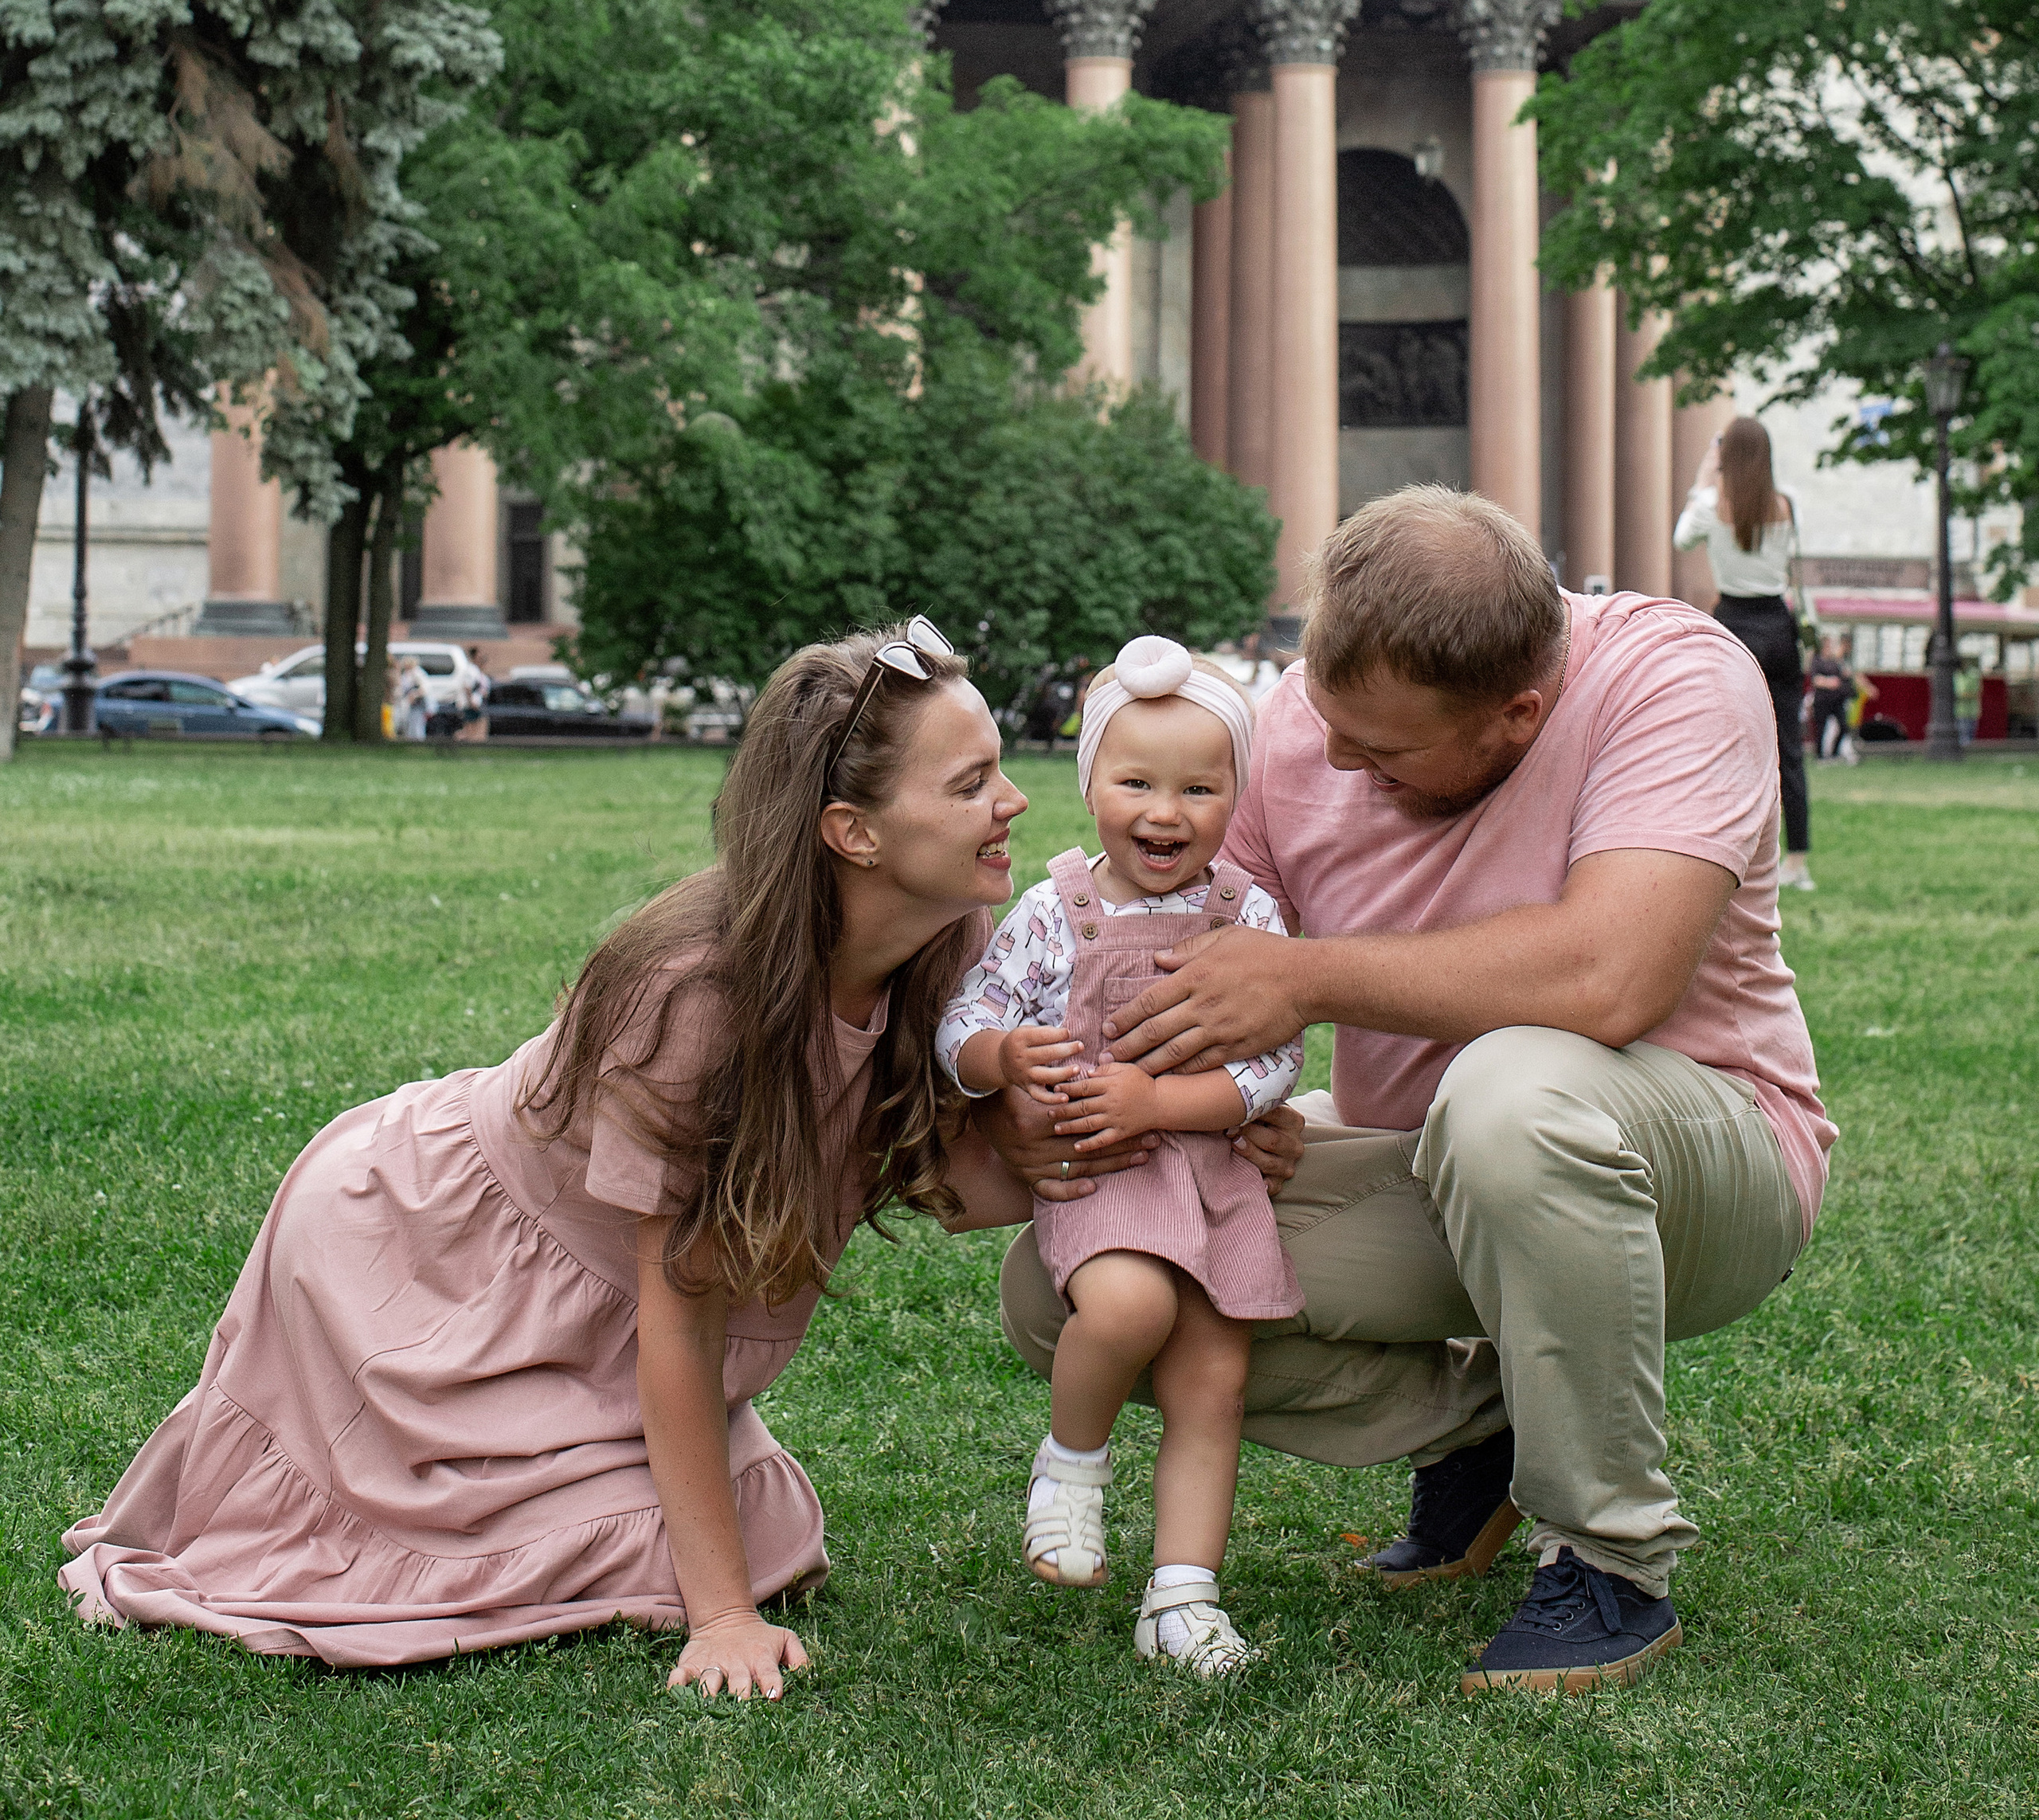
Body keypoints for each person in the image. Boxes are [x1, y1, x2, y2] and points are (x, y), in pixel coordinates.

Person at [60, 619, 1033, 1697]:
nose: (1014, 801)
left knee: (775, 1527)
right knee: (710, 1557)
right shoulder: (697, 1000)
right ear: (853, 833)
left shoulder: (947, 946)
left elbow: (969, 1182)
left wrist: (1137, 1113)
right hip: (432, 1269)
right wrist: (720, 1618)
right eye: (971, 783)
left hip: (594, 1311)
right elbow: (683, 1315)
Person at [984, 489, 1834, 1697]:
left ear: (1518, 712)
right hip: (1428, 1161)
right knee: (1078, 1290)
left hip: (1696, 1164)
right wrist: (1071, 1098)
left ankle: (1611, 1561)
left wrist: (1304, 979)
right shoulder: (1302, 725)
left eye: (1382, 751)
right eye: (1329, 722)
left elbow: (1612, 976)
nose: (1335, 759)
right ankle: (1497, 1425)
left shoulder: (1673, 679)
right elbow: (1191, 966)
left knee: (1509, 1094)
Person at [938, 639, 1301, 1677]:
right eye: (1136, 782)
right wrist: (1000, 1058)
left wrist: (1171, 1099)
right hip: (1104, 1169)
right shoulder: (1056, 911)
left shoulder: (1248, 914)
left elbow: (1277, 1058)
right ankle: (1071, 1467)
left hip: (1216, 1178)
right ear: (1090, 782)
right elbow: (965, 1018)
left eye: (1199, 788)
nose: (1165, 812)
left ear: (1234, 796)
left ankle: (1183, 1598)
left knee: (1213, 1383)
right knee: (1131, 1307)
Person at [1673, 417, 1814, 888]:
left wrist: (1702, 480)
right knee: (1788, 747)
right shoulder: (1786, 504)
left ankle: (1727, 852)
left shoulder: (1712, 506)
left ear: (1725, 455)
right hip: (1779, 625)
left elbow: (1682, 539)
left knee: (1726, 742)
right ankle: (1797, 861)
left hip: (1734, 625)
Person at [1806, 637, 1859, 763]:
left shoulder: (1835, 661)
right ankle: (1820, 756)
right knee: (1821, 728)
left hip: (1837, 700)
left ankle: (1835, 752)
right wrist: (1829, 682)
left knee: (1844, 726)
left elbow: (1843, 675)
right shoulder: (1817, 661)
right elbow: (1815, 680)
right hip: (1822, 700)